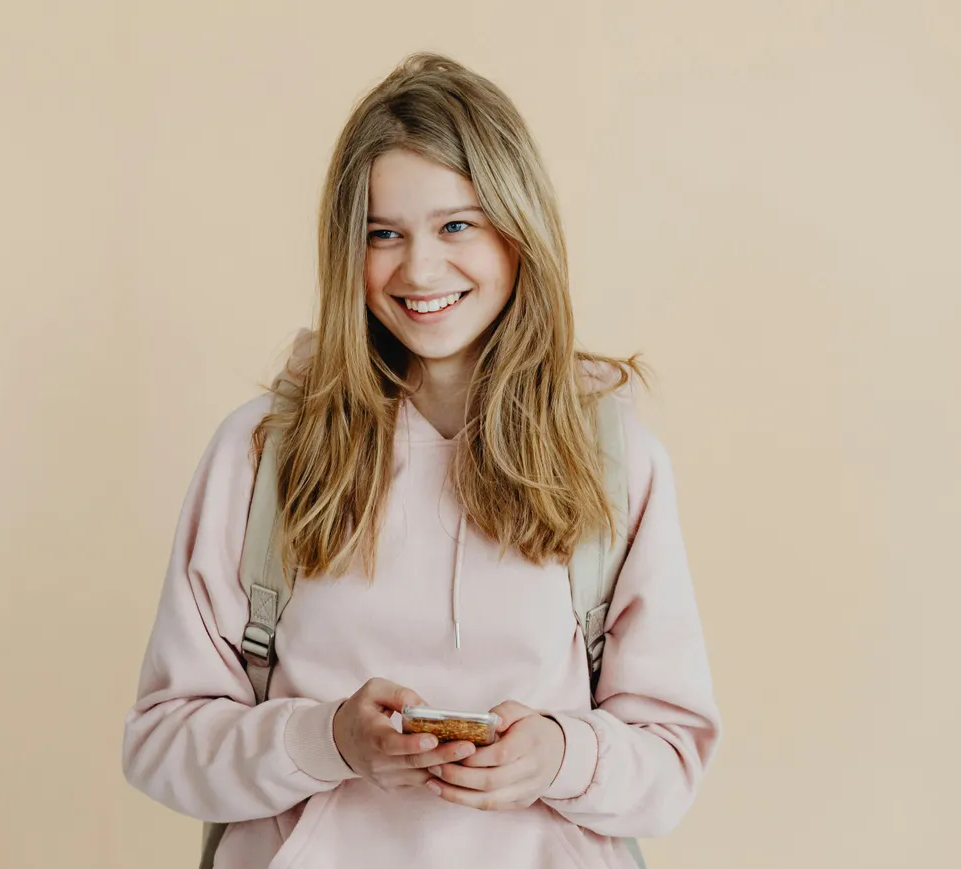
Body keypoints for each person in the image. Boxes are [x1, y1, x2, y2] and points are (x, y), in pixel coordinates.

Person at [121, 51, 721, 868]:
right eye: (383, 234)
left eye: (457, 225)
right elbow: (161, 740)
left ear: (519, 232)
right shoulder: (262, 453)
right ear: (347, 251)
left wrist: (558, 755)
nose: (421, 268)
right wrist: (326, 737)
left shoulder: (616, 465)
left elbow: (672, 758)